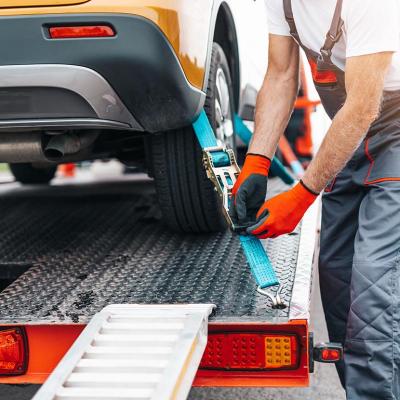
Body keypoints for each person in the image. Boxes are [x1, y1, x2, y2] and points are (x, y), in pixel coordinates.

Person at [229, 1, 400, 399]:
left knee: (375, 281)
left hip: (388, 125)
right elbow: (281, 72)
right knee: (337, 275)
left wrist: (302, 195)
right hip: (352, 138)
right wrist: (256, 162)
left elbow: (362, 107)